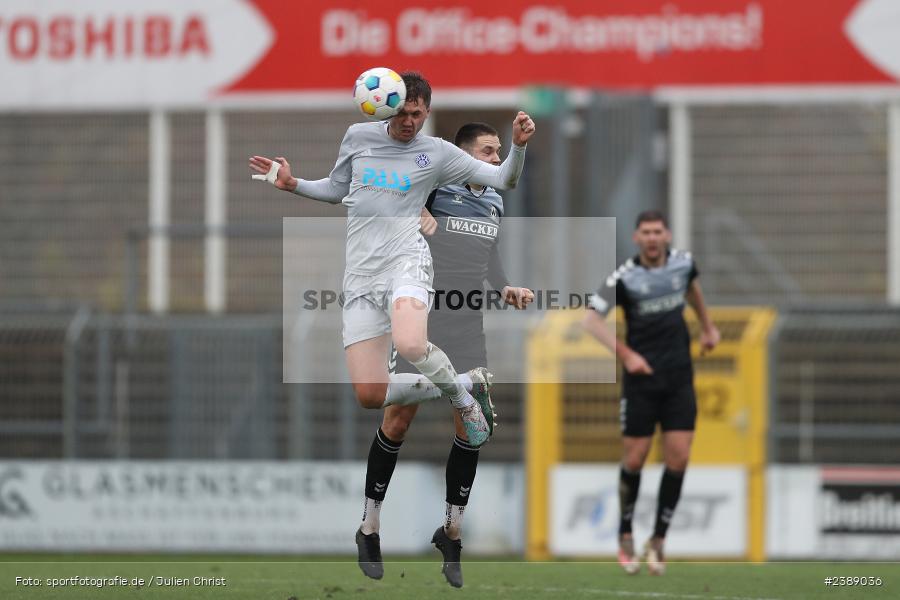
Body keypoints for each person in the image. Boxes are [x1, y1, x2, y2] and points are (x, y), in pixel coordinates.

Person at [248, 72, 535, 575]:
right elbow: (337, 190)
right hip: (361, 277)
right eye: (400, 113)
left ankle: (464, 403)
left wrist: (517, 146)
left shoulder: (438, 153)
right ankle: (374, 518)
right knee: (371, 396)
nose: (407, 122)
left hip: (407, 263)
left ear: (426, 111)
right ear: (381, 108)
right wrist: (293, 185)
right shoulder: (358, 138)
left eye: (416, 114)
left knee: (412, 341)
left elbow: (504, 178)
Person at [357, 122, 534, 588]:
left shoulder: (494, 198)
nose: (495, 158)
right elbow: (389, 211)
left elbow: (489, 255)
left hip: (468, 326)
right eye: (488, 151)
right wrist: (415, 217)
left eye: (498, 151)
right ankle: (369, 526)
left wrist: (506, 286)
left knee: (470, 429)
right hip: (426, 316)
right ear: (463, 154)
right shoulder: (434, 185)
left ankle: (451, 532)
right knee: (397, 422)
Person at [581, 210, 720, 576]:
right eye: (646, 232)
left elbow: (693, 291)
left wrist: (708, 328)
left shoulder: (684, 265)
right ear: (636, 238)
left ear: (667, 235)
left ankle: (658, 540)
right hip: (641, 384)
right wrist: (626, 355)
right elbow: (590, 320)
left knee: (678, 458)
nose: (653, 238)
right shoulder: (623, 278)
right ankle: (626, 533)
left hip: (678, 380)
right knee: (635, 459)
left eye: (658, 231)